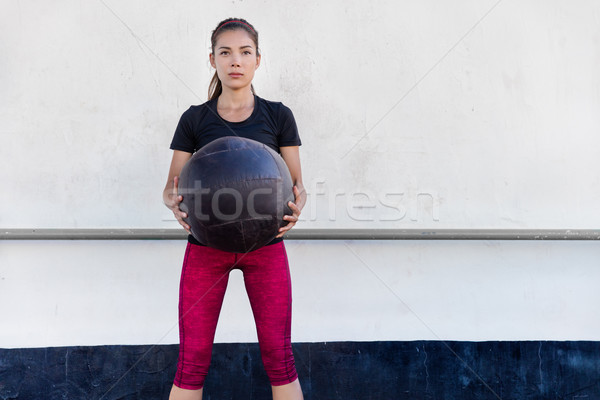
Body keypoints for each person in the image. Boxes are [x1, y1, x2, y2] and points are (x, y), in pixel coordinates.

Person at [162, 18, 306, 400]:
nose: (235, 60)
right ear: (212, 60)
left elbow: (296, 185)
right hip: (206, 247)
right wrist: (173, 203)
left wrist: (298, 203)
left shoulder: (278, 116)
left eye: (245, 52)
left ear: (258, 60)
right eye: (225, 52)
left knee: (280, 358)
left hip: (265, 248)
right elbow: (171, 185)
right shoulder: (194, 119)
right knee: (191, 361)